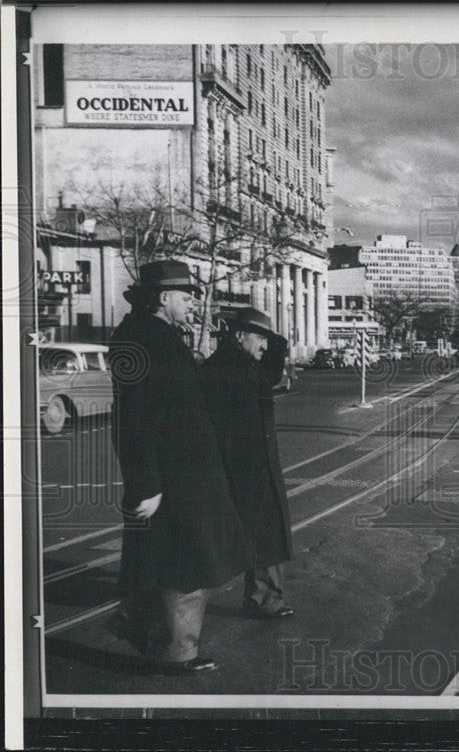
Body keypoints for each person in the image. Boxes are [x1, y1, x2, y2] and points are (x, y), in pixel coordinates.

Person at [109, 260, 253, 674]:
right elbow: (132, 418)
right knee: (185, 563)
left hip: (185, 475)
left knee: (178, 560)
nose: (193, 303)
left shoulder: (155, 336)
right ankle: (172, 650)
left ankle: (147, 630)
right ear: (162, 298)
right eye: (187, 297)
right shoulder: (142, 340)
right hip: (173, 479)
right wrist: (146, 485)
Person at [202, 307, 295, 620]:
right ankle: (263, 599)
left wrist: (274, 340)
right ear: (239, 336)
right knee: (260, 535)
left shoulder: (239, 364)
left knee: (263, 535)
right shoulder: (227, 369)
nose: (265, 346)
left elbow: (269, 376)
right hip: (245, 469)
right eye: (260, 338)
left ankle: (265, 598)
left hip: (255, 467)